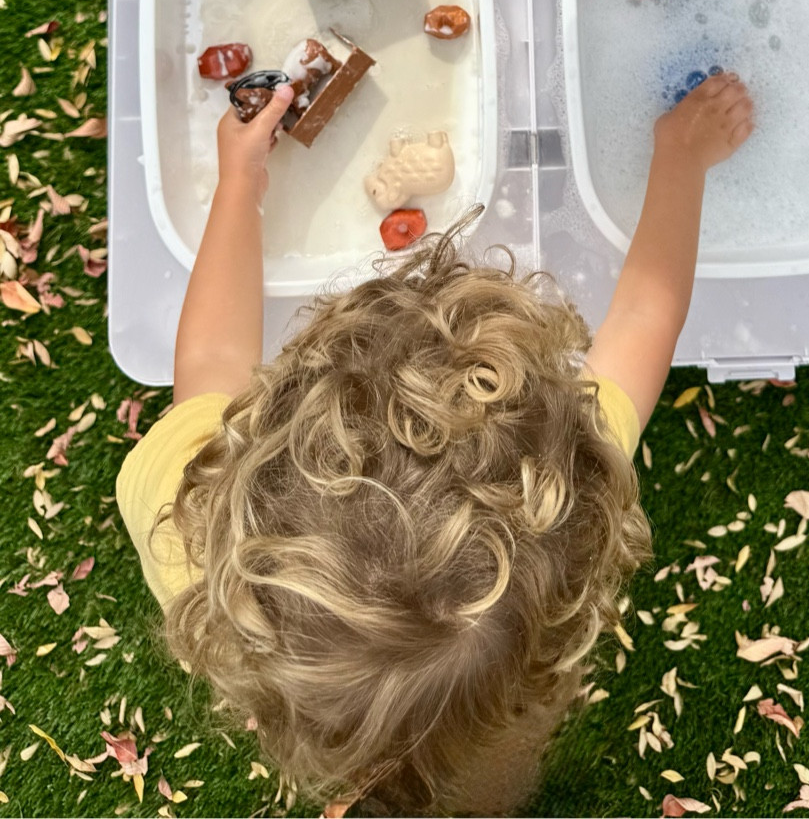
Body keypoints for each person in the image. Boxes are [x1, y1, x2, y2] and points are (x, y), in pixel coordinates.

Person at [117, 68, 754, 816]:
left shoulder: (187, 526)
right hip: (474, 699)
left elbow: (210, 366)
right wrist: (682, 158)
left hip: (443, 689)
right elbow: (645, 311)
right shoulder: (557, 503)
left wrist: (239, 185)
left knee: (457, 740)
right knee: (472, 750)